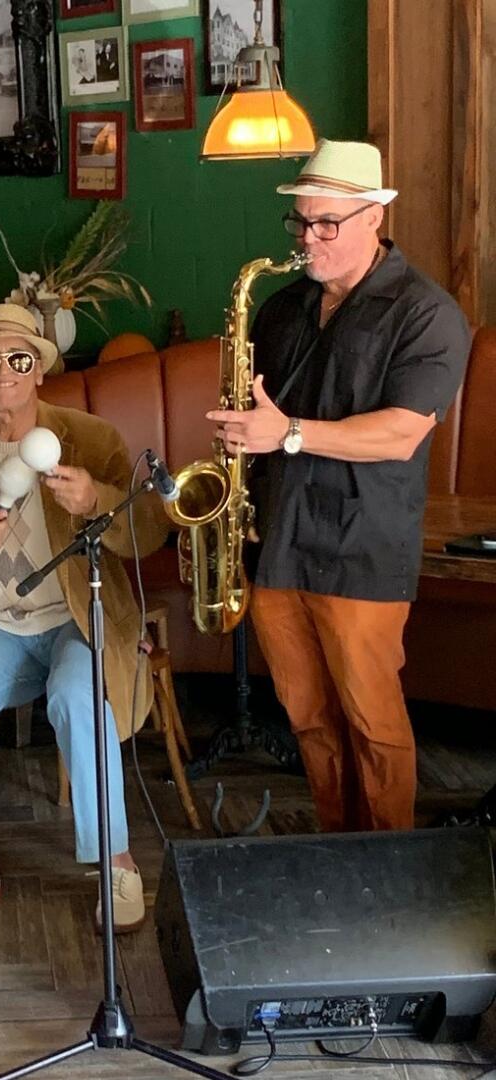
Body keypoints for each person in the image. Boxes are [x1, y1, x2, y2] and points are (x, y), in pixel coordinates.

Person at [206, 140, 471, 834]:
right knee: (309, 719)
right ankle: (334, 850)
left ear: (373, 217)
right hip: (278, 544)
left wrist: (287, 433)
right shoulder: (282, 307)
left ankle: (387, 873)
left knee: (372, 723)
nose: (308, 239)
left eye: (326, 223)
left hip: (360, 548)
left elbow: (401, 433)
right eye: (300, 223)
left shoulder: (426, 313)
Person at [0, 304, 167, 930]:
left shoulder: (89, 439)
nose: (4, 374)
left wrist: (95, 500)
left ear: (40, 370)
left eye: (17, 359)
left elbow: (149, 529)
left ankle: (117, 863)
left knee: (79, 692)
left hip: (76, 617)